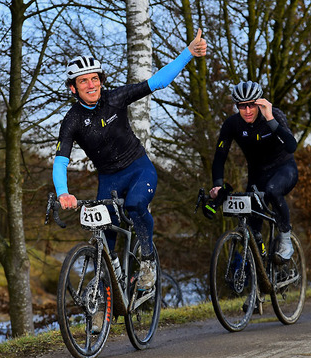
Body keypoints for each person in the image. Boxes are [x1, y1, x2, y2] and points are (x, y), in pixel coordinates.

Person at [53, 29, 207, 291]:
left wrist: (188, 53)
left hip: (138, 170)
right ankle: (103, 303)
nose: (92, 86)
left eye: (95, 79)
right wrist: (63, 192)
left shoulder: (115, 98)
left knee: (136, 207)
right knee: (104, 238)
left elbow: (156, 82)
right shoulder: (72, 120)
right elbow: (60, 160)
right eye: (84, 82)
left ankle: (147, 261)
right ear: (73, 88)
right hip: (108, 179)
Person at [209, 81, 298, 263]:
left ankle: (285, 238)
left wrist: (270, 119)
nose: (248, 110)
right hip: (257, 175)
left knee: (273, 190)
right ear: (237, 106)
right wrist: (217, 185)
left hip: (283, 168)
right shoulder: (232, 124)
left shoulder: (274, 115)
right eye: (242, 106)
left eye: (251, 104)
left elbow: (291, 146)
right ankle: (256, 274)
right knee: (251, 227)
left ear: (259, 103)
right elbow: (219, 156)